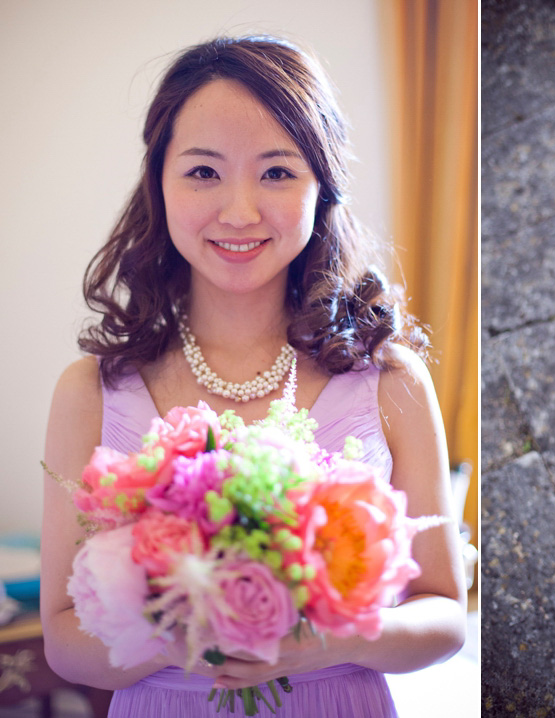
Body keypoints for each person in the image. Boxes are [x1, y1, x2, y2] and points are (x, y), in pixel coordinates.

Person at [40, 35, 467, 717]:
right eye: (204, 172)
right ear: (158, 181)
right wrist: (196, 624)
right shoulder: (88, 392)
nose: (239, 211)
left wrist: (324, 639)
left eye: (276, 172)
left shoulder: (391, 379)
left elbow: (447, 615)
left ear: (321, 184)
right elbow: (63, 641)